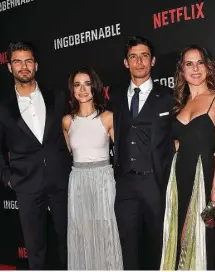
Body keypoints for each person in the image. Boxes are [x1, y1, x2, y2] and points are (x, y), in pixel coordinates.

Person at [0, 41, 70, 270]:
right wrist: (8, 177)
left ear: (36, 65)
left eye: (28, 61)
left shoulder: (57, 97)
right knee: (36, 248)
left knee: (68, 241)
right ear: (9, 67)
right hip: (26, 184)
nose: (24, 66)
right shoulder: (2, 109)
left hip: (61, 180)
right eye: (17, 61)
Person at [161, 45, 215, 270]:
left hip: (204, 176)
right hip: (179, 177)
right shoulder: (180, 105)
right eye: (189, 64)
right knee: (179, 235)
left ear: (208, 67)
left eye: (200, 62)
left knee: (202, 239)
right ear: (182, 70)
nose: (195, 69)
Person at [110, 36, 174, 270]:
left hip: (155, 184)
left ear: (153, 61)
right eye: (133, 57)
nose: (139, 62)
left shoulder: (168, 97)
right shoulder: (115, 98)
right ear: (126, 62)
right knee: (129, 249)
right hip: (125, 184)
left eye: (144, 56)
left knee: (158, 246)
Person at [62, 66, 123, 270]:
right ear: (72, 89)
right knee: (83, 232)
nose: (82, 89)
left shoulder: (108, 117)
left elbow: (121, 154)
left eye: (87, 84)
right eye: (77, 85)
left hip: (103, 179)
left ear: (95, 87)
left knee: (106, 230)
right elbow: (70, 152)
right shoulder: (67, 121)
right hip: (78, 180)